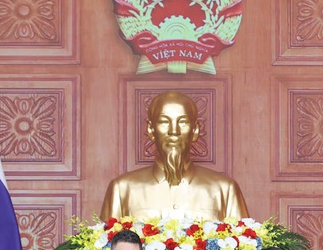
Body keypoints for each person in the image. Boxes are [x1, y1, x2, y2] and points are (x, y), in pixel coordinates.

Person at [100, 90, 249, 221]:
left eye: (183, 122)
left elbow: (244, 242)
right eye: (164, 122)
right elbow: (107, 243)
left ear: (195, 130)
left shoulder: (225, 189)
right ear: (151, 130)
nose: (174, 131)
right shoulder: (122, 189)